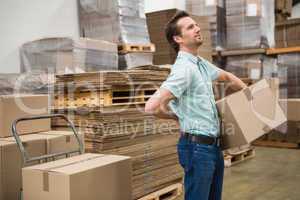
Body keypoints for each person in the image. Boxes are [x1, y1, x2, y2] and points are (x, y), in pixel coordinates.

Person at [145, 11, 247, 200]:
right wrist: (175, 116)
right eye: (190, 27)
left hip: (213, 147)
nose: (197, 29)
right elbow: (151, 107)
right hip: (197, 149)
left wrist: (250, 95)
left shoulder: (200, 64)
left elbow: (226, 77)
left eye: (196, 25)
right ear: (178, 38)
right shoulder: (184, 70)